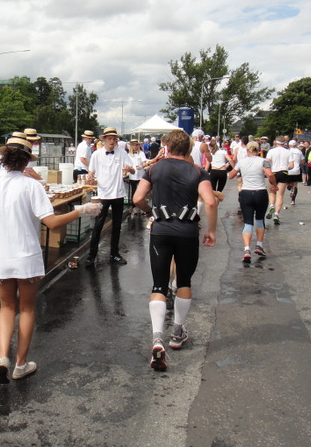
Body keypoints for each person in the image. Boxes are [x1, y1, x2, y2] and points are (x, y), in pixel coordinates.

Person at [0, 134, 101, 383]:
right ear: (25, 163)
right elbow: (52, 223)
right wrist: (81, 210)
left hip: (1, 258)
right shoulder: (31, 186)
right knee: (27, 309)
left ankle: (2, 357)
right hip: (27, 257)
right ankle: (20, 364)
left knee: (7, 308)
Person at [133, 128, 217, 372]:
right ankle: (177, 333)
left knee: (159, 285)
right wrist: (212, 230)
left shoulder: (154, 169)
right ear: (190, 149)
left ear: (167, 147)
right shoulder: (198, 171)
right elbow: (210, 201)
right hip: (187, 232)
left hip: (160, 231)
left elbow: (138, 198)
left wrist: (150, 211)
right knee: (184, 281)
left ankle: (157, 338)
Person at [85, 127, 136, 267]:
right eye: (110, 138)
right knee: (98, 225)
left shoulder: (122, 153)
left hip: (118, 193)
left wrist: (129, 169)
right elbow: (91, 172)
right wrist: (90, 176)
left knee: (117, 225)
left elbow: (132, 168)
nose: (113, 141)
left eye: (115, 139)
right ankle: (92, 255)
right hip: (103, 194)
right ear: (104, 139)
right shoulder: (96, 155)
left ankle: (114, 253)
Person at [228, 140, 276, 262]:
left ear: (247, 150)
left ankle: (247, 249)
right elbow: (270, 174)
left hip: (246, 193)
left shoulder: (241, 162)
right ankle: (259, 244)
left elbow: (231, 176)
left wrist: (239, 170)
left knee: (248, 222)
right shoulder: (263, 161)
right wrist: (274, 184)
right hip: (260, 192)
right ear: (258, 150)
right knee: (260, 219)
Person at [265, 136, 290, 224]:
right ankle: (276, 214)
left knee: (272, 192)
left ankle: (272, 206)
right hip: (284, 172)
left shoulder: (271, 151)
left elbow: (267, 162)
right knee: (280, 195)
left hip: (274, 173)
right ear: (284, 143)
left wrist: (267, 171)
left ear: (276, 142)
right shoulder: (288, 152)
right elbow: (292, 165)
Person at [127, 139, 147, 210]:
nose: (135, 146)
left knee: (141, 191)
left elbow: (144, 163)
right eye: (133, 145)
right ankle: (133, 205)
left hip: (140, 175)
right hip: (132, 175)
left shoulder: (141, 153)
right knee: (133, 190)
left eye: (136, 145)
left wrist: (141, 166)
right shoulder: (128, 155)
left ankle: (141, 205)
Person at [287, 139, 304, 205]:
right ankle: (293, 200)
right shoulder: (299, 151)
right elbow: (303, 161)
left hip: (289, 169)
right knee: (295, 185)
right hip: (296, 170)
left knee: (288, 184)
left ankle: (290, 189)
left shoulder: (287, 151)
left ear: (289, 145)